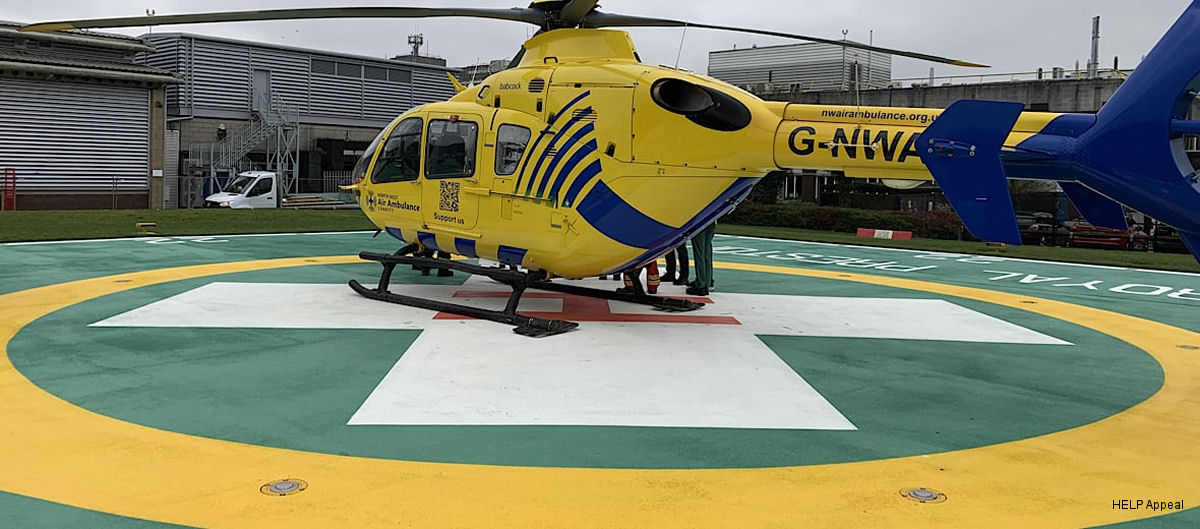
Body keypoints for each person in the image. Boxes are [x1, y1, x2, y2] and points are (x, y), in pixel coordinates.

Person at [687, 222, 717, 296]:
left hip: (700, 223)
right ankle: (707, 281)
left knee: (699, 254)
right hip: (712, 222)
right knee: (707, 254)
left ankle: (701, 284)